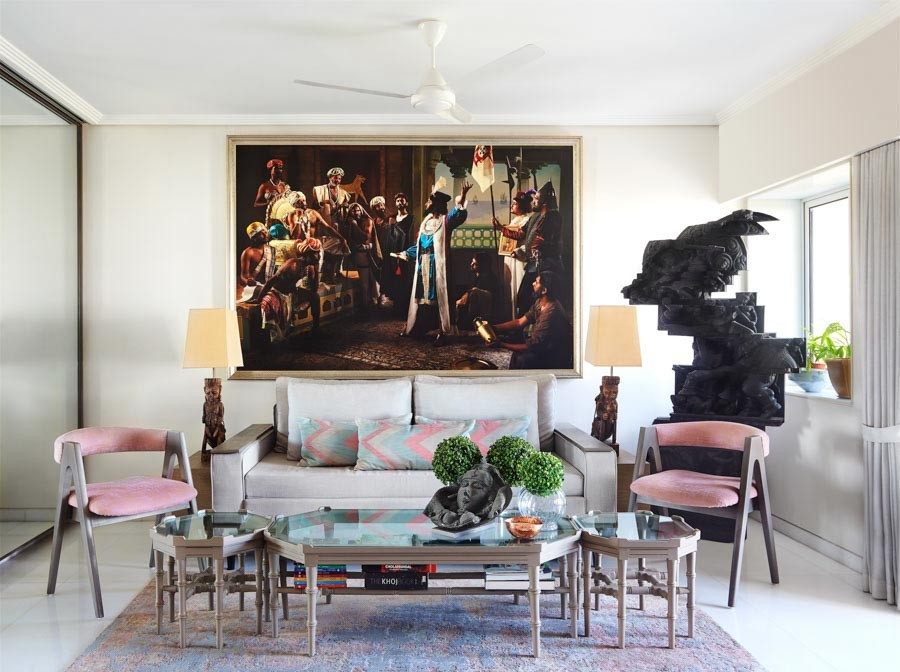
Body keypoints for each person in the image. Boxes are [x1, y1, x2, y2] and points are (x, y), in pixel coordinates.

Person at [393, 180, 473, 340]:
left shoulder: (445, 221)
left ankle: (443, 331)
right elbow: (420, 246)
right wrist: (405, 253)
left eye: (429, 201)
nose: (426, 203)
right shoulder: (426, 222)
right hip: (423, 266)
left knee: (439, 298)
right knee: (422, 299)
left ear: (436, 204)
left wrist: (463, 195)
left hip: (438, 267)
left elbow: (458, 214)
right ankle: (419, 326)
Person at [491, 270, 573, 369]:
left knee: (523, 358)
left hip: (555, 357)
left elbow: (532, 347)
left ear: (544, 290)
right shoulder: (540, 302)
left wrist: (501, 344)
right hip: (543, 349)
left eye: (537, 282)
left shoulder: (551, 313)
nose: (533, 283)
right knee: (514, 348)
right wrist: (495, 328)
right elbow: (519, 322)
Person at [247, 239, 322, 339]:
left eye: (318, 253)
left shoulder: (308, 267)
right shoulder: (292, 265)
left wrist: (316, 271)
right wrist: (259, 299)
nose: (319, 256)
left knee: (315, 297)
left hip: (291, 293)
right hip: (278, 293)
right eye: (315, 254)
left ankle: (316, 329)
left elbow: (314, 290)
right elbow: (271, 281)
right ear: (307, 255)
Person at [424, 463, 511, 530]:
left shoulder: (490, 507)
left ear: (489, 495)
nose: (467, 490)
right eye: (464, 484)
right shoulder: (443, 507)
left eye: (477, 486)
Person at [492, 190, 535, 319]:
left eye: (514, 203)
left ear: (521, 206)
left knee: (518, 288)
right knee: (509, 289)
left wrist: (501, 228)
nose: (512, 205)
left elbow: (520, 235)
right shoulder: (515, 220)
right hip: (509, 260)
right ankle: (511, 319)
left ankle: (520, 321)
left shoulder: (526, 220)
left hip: (518, 259)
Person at [372, 195, 407, 311]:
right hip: (377, 252)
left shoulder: (390, 219)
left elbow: (400, 235)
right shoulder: (373, 222)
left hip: (389, 252)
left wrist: (392, 227)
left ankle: (393, 302)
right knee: (378, 275)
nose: (381, 208)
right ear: (374, 209)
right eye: (377, 206)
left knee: (390, 276)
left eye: (382, 205)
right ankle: (378, 299)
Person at [345, 202, 381, 312]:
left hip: (368, 254)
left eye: (358, 210)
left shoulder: (367, 221)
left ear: (361, 210)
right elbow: (350, 240)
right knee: (365, 282)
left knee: (373, 281)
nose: (356, 213)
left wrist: (355, 225)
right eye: (353, 211)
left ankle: (374, 304)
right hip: (359, 253)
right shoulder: (351, 223)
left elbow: (365, 237)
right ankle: (367, 305)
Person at [455, 252, 500, 331]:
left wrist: (472, 293)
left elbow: (488, 297)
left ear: (482, 266)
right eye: (472, 262)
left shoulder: (491, 279)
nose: (471, 264)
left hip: (484, 313)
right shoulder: (475, 277)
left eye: (474, 263)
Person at [238, 221, 270, 299]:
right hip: (254, 287)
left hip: (268, 284)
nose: (265, 234)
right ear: (254, 237)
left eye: (265, 232)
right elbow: (243, 276)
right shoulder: (248, 252)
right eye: (261, 234)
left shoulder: (271, 250)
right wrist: (248, 281)